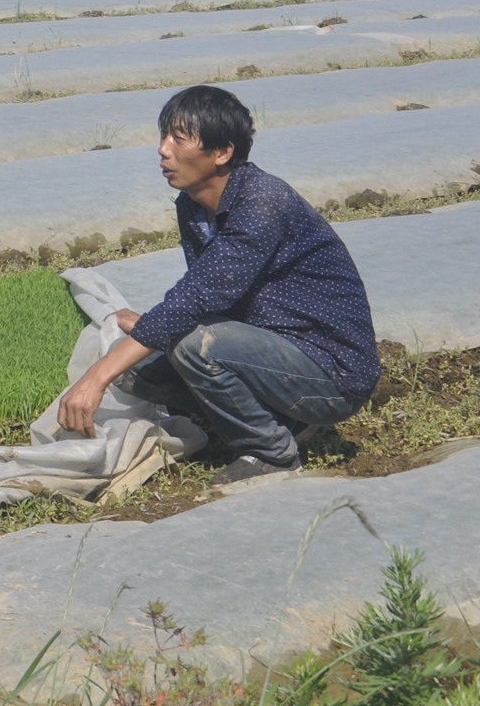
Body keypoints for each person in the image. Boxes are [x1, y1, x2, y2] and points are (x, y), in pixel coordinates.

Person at [56, 84, 380, 483]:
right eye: (164, 136)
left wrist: (96, 376)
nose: (163, 149)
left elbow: (196, 299)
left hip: (331, 370)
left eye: (179, 138)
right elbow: (209, 291)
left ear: (222, 152)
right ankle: (281, 422)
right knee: (138, 372)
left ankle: (270, 452)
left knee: (194, 346)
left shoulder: (262, 203)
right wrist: (146, 334)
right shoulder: (193, 205)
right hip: (271, 346)